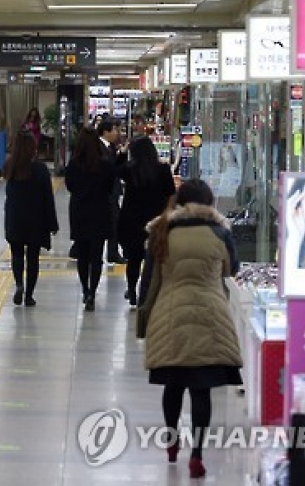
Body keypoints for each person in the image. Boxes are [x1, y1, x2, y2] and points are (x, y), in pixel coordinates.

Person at [138, 178, 242, 479]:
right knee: (201, 389)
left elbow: (149, 281)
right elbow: (231, 269)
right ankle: (197, 456)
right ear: (209, 202)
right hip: (210, 316)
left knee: (173, 385)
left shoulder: (161, 231)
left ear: (179, 201)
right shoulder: (220, 232)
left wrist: (143, 322)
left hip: (169, 314)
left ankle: (172, 444)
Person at [117, 136, 175, 306]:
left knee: (133, 259)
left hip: (131, 220)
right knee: (154, 258)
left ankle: (132, 289)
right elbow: (171, 193)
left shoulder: (130, 169)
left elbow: (114, 169)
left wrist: (122, 153)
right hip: (155, 220)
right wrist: (167, 214)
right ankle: (149, 291)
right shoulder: (163, 169)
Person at [4, 130, 59, 306]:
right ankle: (29, 295)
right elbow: (47, 198)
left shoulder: (10, 166)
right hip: (36, 218)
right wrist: (53, 223)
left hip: (15, 217)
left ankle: (19, 283)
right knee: (33, 258)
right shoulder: (40, 169)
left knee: (17, 254)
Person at [65, 126, 116, 311]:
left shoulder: (73, 164)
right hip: (100, 212)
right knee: (96, 257)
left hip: (79, 212)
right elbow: (111, 188)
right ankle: (93, 292)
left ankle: (85, 289)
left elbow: (69, 186)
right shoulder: (106, 164)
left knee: (82, 255)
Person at [97, 117, 126, 264]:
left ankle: (113, 252)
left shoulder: (111, 147)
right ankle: (106, 252)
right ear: (105, 131)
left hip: (112, 191)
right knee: (108, 221)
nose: (117, 133)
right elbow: (110, 168)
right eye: (115, 130)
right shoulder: (98, 148)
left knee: (115, 222)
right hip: (104, 192)